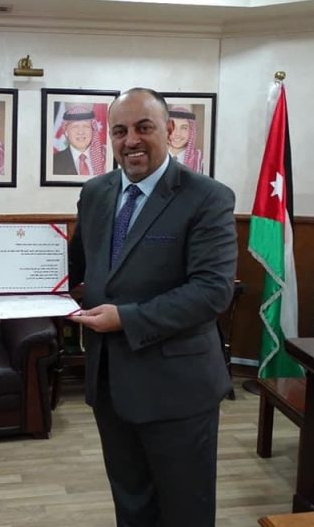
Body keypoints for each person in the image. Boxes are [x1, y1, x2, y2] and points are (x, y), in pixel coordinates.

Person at [68, 88, 237, 526]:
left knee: (185, 510)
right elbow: (70, 267)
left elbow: (212, 291)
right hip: (110, 385)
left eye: (144, 127)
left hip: (178, 390)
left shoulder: (207, 197)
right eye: (120, 131)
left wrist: (125, 318)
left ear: (170, 129)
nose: (131, 140)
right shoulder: (95, 193)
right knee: (131, 506)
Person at [53, 104, 107, 176]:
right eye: (75, 127)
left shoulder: (105, 159)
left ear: (93, 130)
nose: (81, 132)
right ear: (66, 132)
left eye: (86, 126)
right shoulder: (54, 162)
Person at [168, 105, 204, 173]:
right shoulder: (154, 158)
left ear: (191, 131)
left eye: (184, 128)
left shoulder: (201, 160)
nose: (177, 134)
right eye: (172, 126)